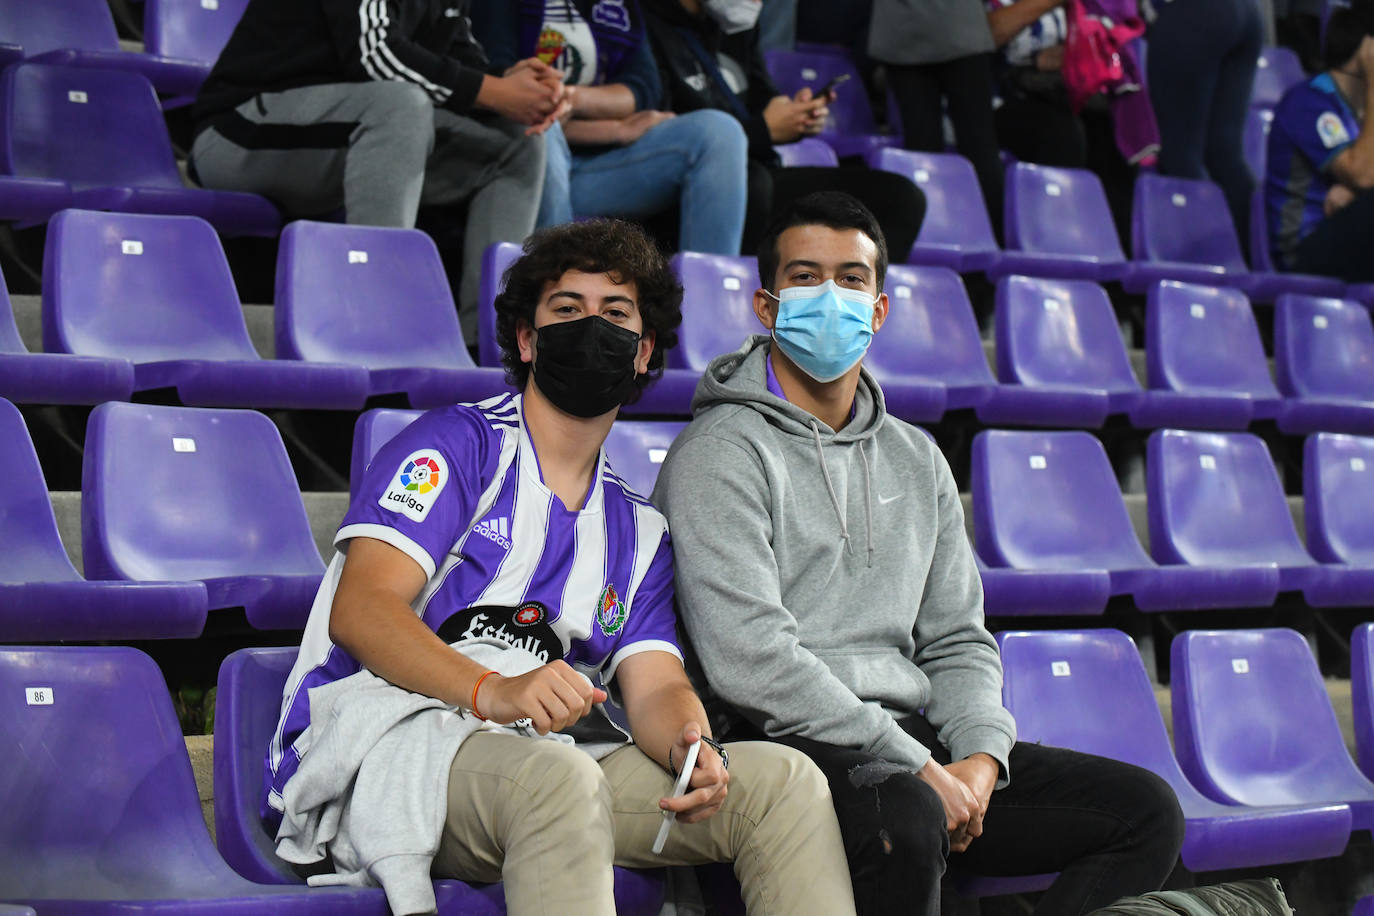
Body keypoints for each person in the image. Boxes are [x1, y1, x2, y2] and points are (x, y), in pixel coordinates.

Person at [264, 218, 858, 916]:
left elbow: (656, 684)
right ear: (526, 338)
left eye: (615, 313)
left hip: (546, 759)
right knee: (558, 777)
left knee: (782, 782)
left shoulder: (638, 529)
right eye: (567, 310)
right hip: (391, 741)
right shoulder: (456, 447)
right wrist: (493, 691)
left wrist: (691, 742)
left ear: (642, 353)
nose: (590, 327)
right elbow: (364, 612)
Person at [653, 192, 1186, 916]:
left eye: (851, 279)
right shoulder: (718, 453)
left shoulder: (915, 455)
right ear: (767, 307)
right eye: (806, 277)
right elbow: (753, 661)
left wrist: (980, 757)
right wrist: (921, 768)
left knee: (1145, 812)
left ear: (879, 310)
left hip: (913, 741)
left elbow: (958, 638)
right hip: (786, 741)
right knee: (903, 821)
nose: (830, 297)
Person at [190, 0, 565, 343]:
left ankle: (490, 342)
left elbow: (458, 57)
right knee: (400, 104)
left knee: (517, 139)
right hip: (238, 134)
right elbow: (375, 55)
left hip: (342, 138)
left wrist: (515, 84)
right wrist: (495, 91)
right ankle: (379, 326)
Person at [641, 0, 927, 257]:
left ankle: (845, 308)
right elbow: (662, 139)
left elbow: (760, 95)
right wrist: (762, 131)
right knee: (754, 184)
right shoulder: (644, 24)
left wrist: (795, 114)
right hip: (689, 191)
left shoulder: (733, 22)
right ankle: (739, 304)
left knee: (900, 199)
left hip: (758, 174)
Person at [471, 0, 749, 255]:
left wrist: (572, 98)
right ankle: (559, 284)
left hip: (597, 172)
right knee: (540, 128)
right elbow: (508, 97)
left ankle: (708, 297)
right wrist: (616, 128)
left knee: (719, 132)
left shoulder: (622, 6)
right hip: (524, 165)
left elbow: (641, 90)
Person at [867, 0, 1006, 236]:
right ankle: (986, 241)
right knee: (977, 145)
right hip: (955, 29)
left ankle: (928, 236)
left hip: (906, 31)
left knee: (924, 147)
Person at [1145, 0, 1264, 251]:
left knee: (1180, 155)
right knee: (1225, 156)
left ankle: (1207, 259)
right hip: (1246, 12)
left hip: (1194, 12)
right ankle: (1254, 261)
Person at [1266, 5, 1374, 281]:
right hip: (1307, 246)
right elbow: (1362, 174)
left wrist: (1353, 197)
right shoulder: (1309, 101)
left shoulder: (1363, 110)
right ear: (1366, 49)